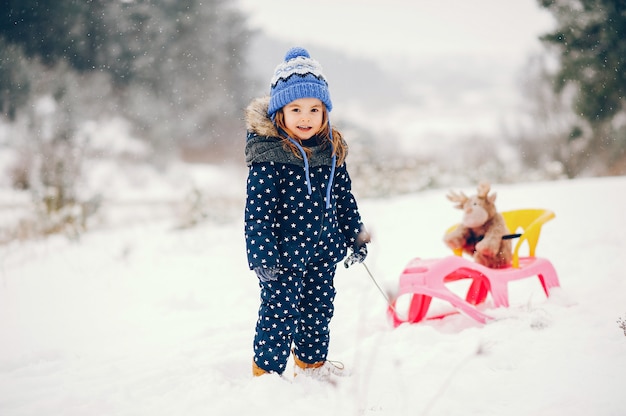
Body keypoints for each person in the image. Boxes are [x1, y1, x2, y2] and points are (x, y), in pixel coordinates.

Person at [243, 47, 369, 380]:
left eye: (314, 109)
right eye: (296, 108)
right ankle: (267, 375)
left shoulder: (331, 151)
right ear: (280, 112)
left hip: (323, 250)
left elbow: (343, 198)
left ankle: (311, 367)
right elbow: (257, 213)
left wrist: (355, 236)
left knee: (318, 310)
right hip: (283, 255)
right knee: (279, 313)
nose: (305, 117)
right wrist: (261, 254)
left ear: (325, 112)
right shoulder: (269, 156)